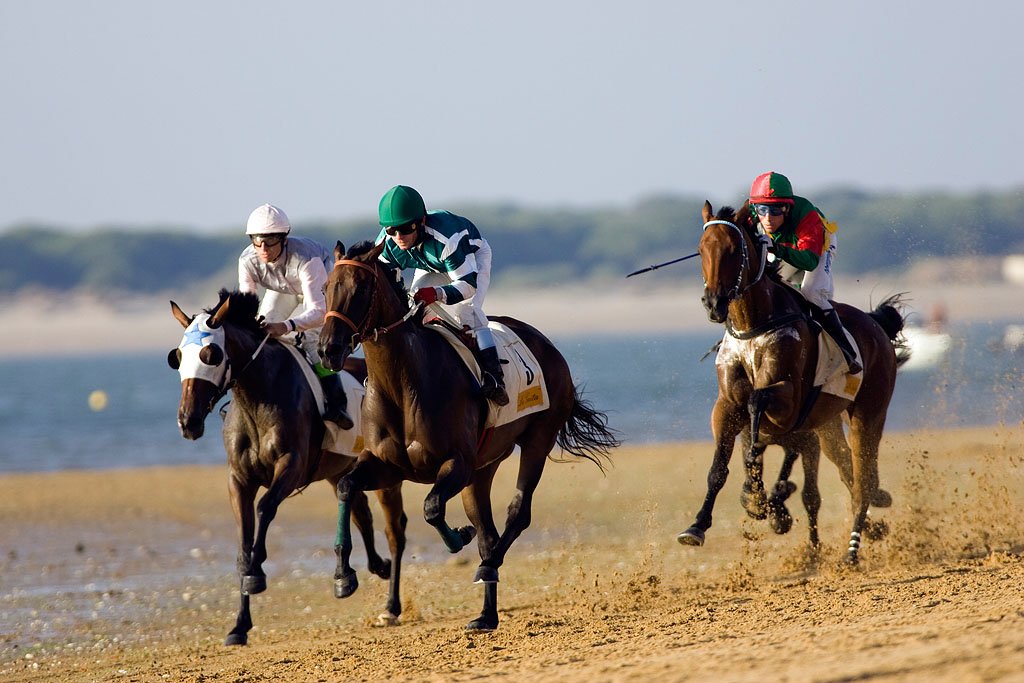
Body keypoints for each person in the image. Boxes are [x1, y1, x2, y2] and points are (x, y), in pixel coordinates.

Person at [374, 185, 510, 406]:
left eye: (405, 229)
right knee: (412, 310)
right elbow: (389, 283)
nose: (399, 237)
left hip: (470, 260)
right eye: (391, 230)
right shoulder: (388, 243)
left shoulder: (448, 239)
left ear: (421, 222)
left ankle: (494, 377)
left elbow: (467, 285)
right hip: (429, 264)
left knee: (467, 312)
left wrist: (436, 294)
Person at [238, 203, 355, 428]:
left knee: (312, 339)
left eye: (270, 240)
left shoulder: (306, 258)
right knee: (260, 333)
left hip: (320, 291)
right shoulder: (247, 260)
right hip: (283, 291)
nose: (263, 248)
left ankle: (337, 403)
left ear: (284, 238)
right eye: (256, 240)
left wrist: (288, 325)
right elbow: (247, 307)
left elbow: (319, 313)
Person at [748, 171, 862, 374]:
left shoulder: (806, 215)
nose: (767, 218)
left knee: (810, 291)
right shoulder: (751, 214)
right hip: (785, 245)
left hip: (818, 246)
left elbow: (809, 261)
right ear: (754, 207)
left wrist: (776, 248)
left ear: (787, 208)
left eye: (775, 211)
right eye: (762, 210)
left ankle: (846, 350)